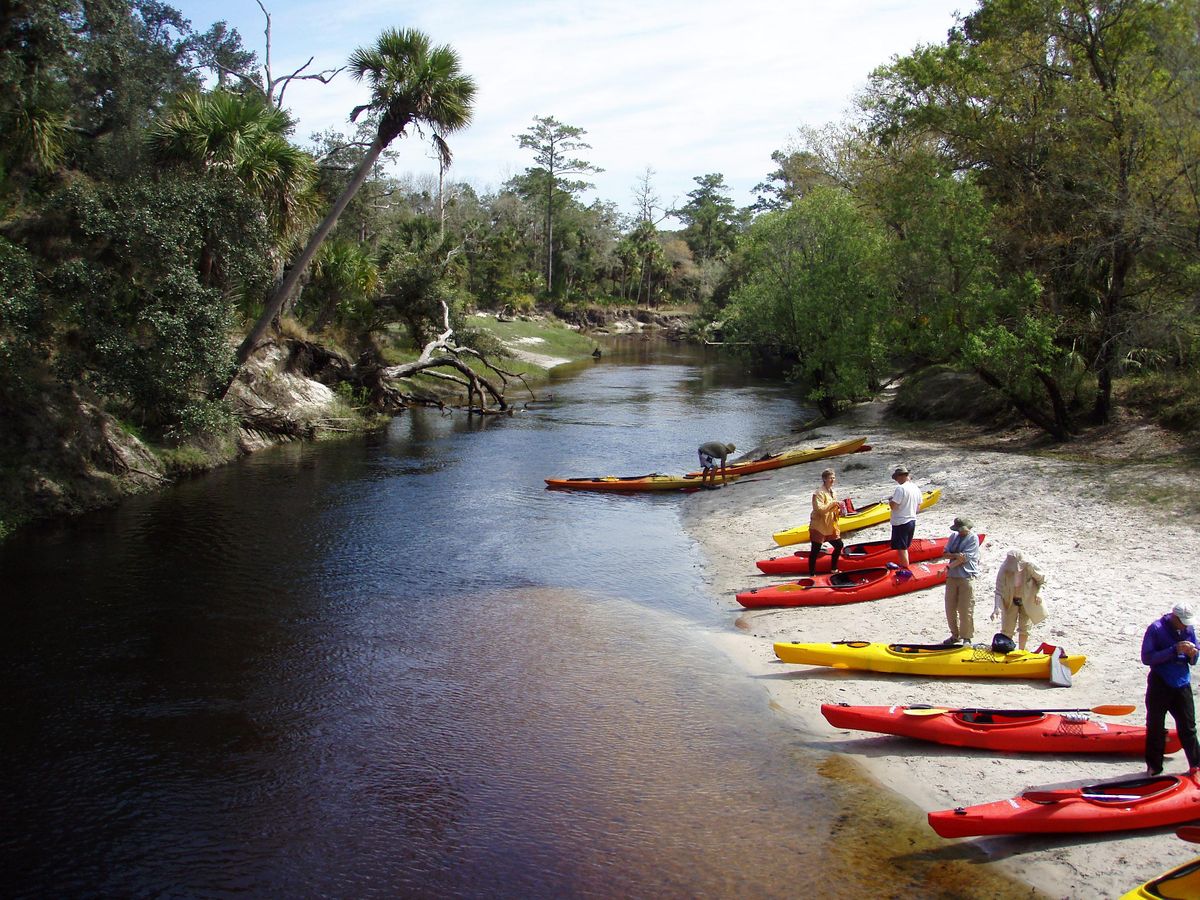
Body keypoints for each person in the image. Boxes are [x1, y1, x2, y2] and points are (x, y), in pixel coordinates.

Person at [1141, 603, 1200, 777]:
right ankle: (1154, 768)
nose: (1186, 625)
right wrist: (1173, 650)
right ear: (1174, 618)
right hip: (1160, 682)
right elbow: (1147, 657)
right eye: (1182, 622)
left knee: (1188, 727)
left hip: (1182, 683)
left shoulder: (1189, 629)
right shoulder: (1156, 629)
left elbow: (1194, 658)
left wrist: (1193, 654)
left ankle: (1196, 766)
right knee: (1155, 727)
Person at [991, 549, 1048, 650]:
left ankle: (1022, 650)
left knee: (1024, 628)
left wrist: (1039, 593)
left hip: (1027, 600)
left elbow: (1042, 580)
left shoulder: (1030, 567)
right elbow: (998, 590)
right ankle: (1007, 649)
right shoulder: (1004, 569)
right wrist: (996, 607)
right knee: (1007, 629)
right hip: (1010, 601)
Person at [940, 516, 980, 645]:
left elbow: (965, 558)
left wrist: (948, 565)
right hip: (952, 577)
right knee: (950, 607)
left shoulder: (973, 538)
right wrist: (956, 555)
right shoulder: (954, 537)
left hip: (966, 577)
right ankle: (954, 635)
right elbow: (945, 553)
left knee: (965, 609)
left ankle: (966, 637)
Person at [808, 468, 844, 576]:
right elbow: (819, 509)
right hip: (819, 525)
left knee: (839, 545)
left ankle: (833, 568)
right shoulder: (818, 493)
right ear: (824, 479)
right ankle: (812, 573)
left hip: (830, 525)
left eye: (833, 478)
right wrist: (833, 504)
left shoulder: (833, 492)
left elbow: (833, 508)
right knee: (815, 550)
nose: (832, 480)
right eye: (830, 478)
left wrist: (839, 509)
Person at [886, 465, 921, 569]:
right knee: (905, 545)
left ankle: (904, 567)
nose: (896, 480)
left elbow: (894, 506)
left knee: (901, 548)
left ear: (901, 476)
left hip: (901, 521)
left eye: (896, 478)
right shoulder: (915, 488)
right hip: (912, 520)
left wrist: (890, 501)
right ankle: (905, 564)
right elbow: (918, 507)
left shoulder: (900, 489)